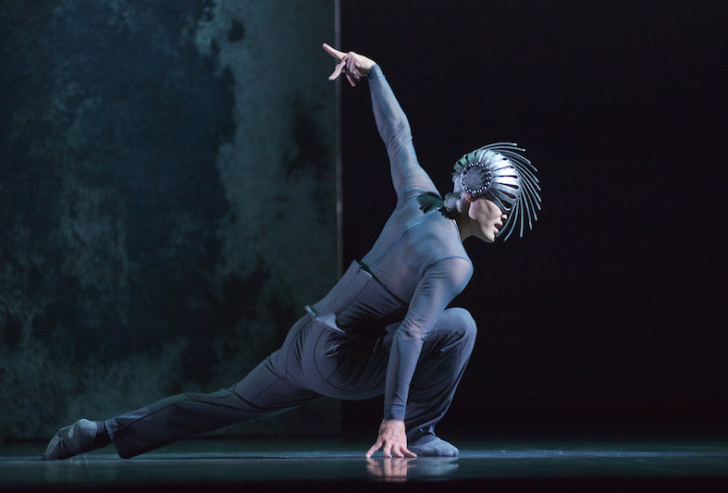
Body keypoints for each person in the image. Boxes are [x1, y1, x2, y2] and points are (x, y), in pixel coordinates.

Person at [43, 43, 541, 461]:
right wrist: (394, 420)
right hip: (339, 360)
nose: (505, 215)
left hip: (305, 340)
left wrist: (374, 74)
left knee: (227, 403)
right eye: (502, 203)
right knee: (461, 326)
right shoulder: (454, 261)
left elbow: (398, 137)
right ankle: (422, 432)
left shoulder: (419, 198)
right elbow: (413, 333)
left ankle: (98, 431)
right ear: (473, 198)